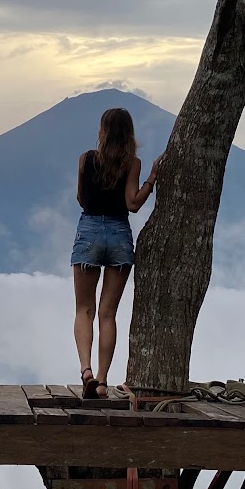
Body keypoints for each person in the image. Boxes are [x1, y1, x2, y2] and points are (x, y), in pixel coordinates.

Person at [72, 106, 159, 399]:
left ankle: (85, 371)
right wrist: (151, 180)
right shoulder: (132, 163)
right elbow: (133, 204)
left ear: (103, 131)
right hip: (120, 235)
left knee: (84, 309)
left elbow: (81, 198)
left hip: (90, 232)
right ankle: (102, 380)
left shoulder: (86, 159)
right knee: (108, 313)